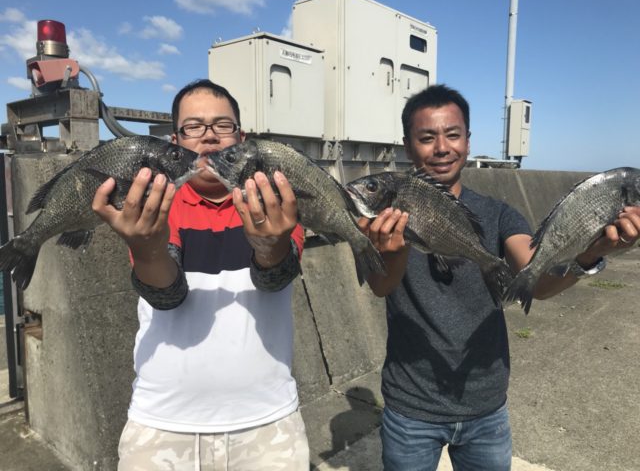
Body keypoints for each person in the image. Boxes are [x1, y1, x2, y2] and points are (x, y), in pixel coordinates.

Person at [357, 83, 640, 471]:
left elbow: (536, 277)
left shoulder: (498, 214)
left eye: (452, 135)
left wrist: (591, 254)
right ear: (408, 146)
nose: (442, 148)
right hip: (411, 407)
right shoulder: (381, 218)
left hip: (486, 407)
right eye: (426, 138)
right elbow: (381, 285)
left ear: (468, 141)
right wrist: (395, 249)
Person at [92, 79, 309, 470]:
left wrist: (270, 245)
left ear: (241, 138)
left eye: (222, 125)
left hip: (269, 420)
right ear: (176, 141)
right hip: (161, 422)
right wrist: (146, 248)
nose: (209, 136)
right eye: (193, 127)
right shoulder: (158, 202)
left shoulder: (278, 200)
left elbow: (274, 278)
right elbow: (167, 295)